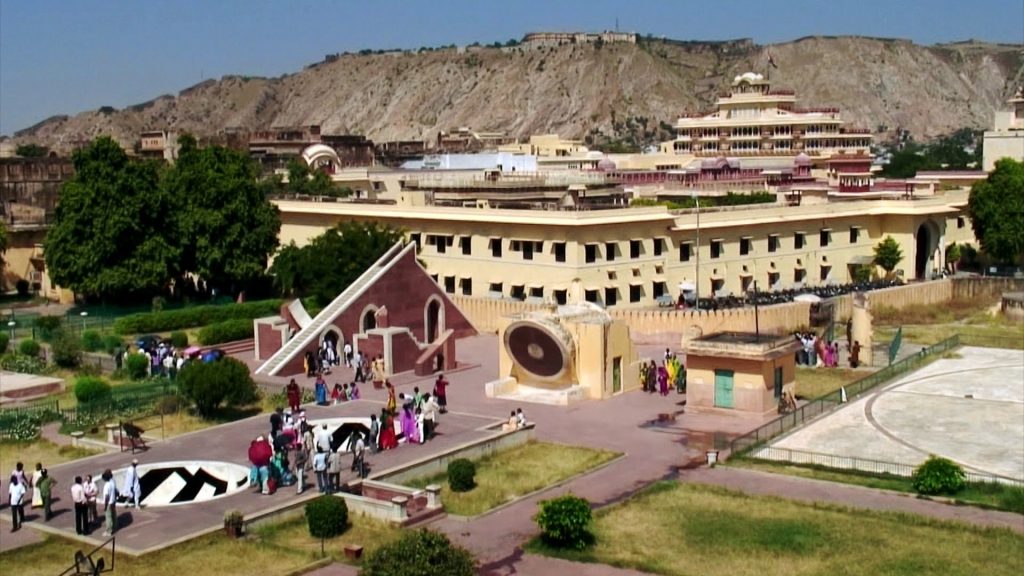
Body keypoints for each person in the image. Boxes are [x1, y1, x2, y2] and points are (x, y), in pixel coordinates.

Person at [101, 469, 118, 536]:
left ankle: (108, 531)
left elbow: (106, 497)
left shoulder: (106, 486)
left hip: (109, 503)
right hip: (113, 501)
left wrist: (105, 506)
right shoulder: (112, 483)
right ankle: (114, 527)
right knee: (113, 515)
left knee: (108, 517)